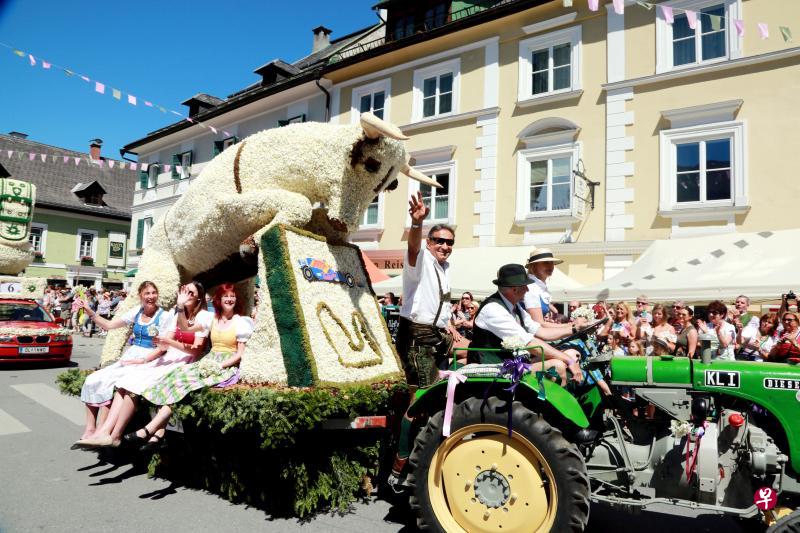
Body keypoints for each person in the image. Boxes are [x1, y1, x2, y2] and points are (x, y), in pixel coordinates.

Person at [75, 282, 211, 448]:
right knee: (120, 383)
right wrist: (149, 356)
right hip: (163, 356)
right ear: (140, 296)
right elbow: (164, 344)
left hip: (185, 360)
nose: (186, 295)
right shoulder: (174, 315)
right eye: (184, 291)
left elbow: (191, 348)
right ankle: (104, 432)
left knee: (132, 384)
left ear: (198, 297)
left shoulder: (202, 316)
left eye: (191, 293)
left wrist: (162, 345)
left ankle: (116, 434)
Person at [130, 283, 252, 450]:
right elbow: (184, 327)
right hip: (208, 360)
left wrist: (219, 365)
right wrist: (180, 307)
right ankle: (157, 434)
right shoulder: (212, 319)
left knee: (187, 385)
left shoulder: (241, 322)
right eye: (226, 296)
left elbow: (239, 354)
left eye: (232, 297)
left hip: (225, 365)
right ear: (219, 299)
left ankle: (149, 431)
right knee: (177, 375)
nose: (229, 299)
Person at [75, 281, 170, 440]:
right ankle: (91, 429)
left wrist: (144, 360)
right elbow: (110, 325)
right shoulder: (137, 312)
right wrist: (90, 312)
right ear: (141, 296)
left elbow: (163, 347)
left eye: (154, 292)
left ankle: (106, 431)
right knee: (94, 379)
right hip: (131, 355)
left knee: (121, 383)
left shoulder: (164, 316)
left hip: (149, 359)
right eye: (147, 293)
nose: (151, 296)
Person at [471, 264, 585, 384]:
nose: (527, 289)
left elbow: (541, 331)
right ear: (514, 289)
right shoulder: (493, 309)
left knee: (569, 353)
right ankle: (552, 401)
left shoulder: (516, 307)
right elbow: (529, 343)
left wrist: (575, 329)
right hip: (494, 365)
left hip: (513, 361)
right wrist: (569, 361)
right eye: (525, 285)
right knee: (558, 365)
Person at [396, 191, 459, 385]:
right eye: (439, 241)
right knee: (423, 391)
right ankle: (412, 415)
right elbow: (413, 248)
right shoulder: (422, 260)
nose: (445, 246)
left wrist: (448, 322)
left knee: (474, 350)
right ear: (429, 243)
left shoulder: (444, 267)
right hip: (417, 334)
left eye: (449, 242)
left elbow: (442, 301)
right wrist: (417, 223)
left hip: (437, 332)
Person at [523, 247, 562, 328]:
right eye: (546, 262)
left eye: (552, 263)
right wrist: (572, 326)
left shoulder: (540, 287)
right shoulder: (530, 287)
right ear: (534, 266)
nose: (550, 266)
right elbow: (538, 325)